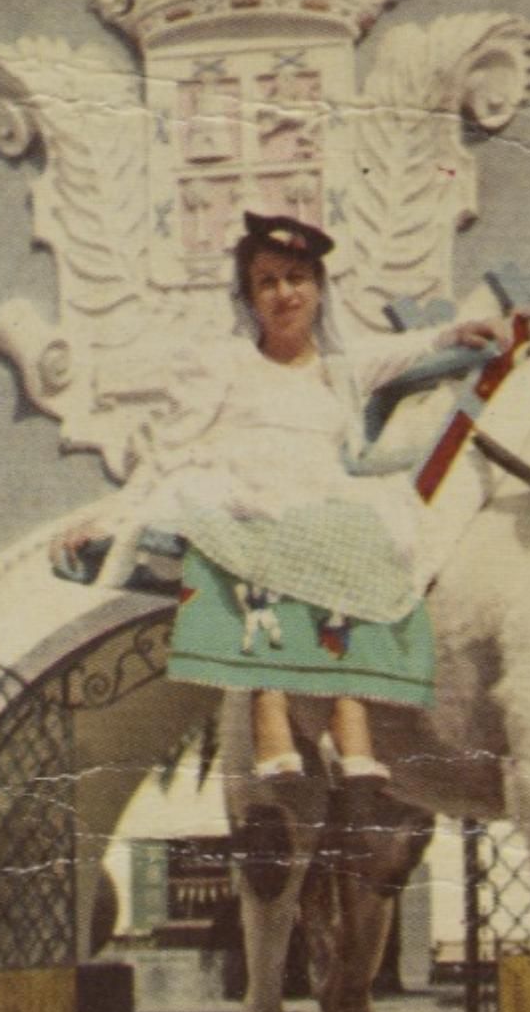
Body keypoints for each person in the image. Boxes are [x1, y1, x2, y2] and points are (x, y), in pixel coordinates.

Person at [63, 211, 500, 783]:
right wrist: (111, 516)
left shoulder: (336, 371)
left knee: (364, 527)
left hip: (317, 493)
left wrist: (451, 334)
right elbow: (168, 447)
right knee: (260, 523)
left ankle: (349, 712)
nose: (284, 293)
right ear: (249, 298)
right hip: (244, 483)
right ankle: (268, 703)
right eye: (267, 282)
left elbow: (400, 352)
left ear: (317, 288)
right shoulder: (226, 363)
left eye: (296, 278)